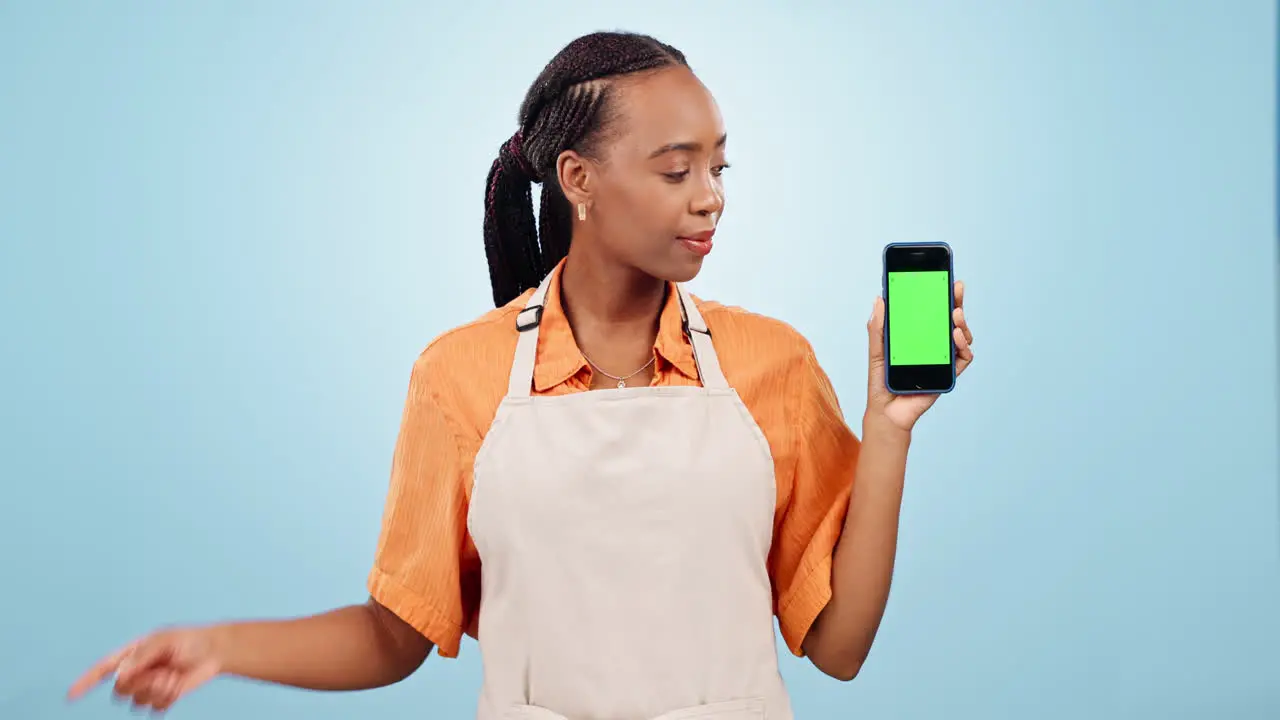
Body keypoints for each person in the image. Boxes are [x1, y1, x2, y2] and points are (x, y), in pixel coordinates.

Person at [68, 31, 975, 719]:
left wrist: (888, 428)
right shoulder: (458, 374)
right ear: (577, 178)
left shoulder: (770, 362)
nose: (711, 196)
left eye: (718, 165)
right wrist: (219, 646)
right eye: (676, 169)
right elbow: (396, 633)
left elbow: (841, 647)